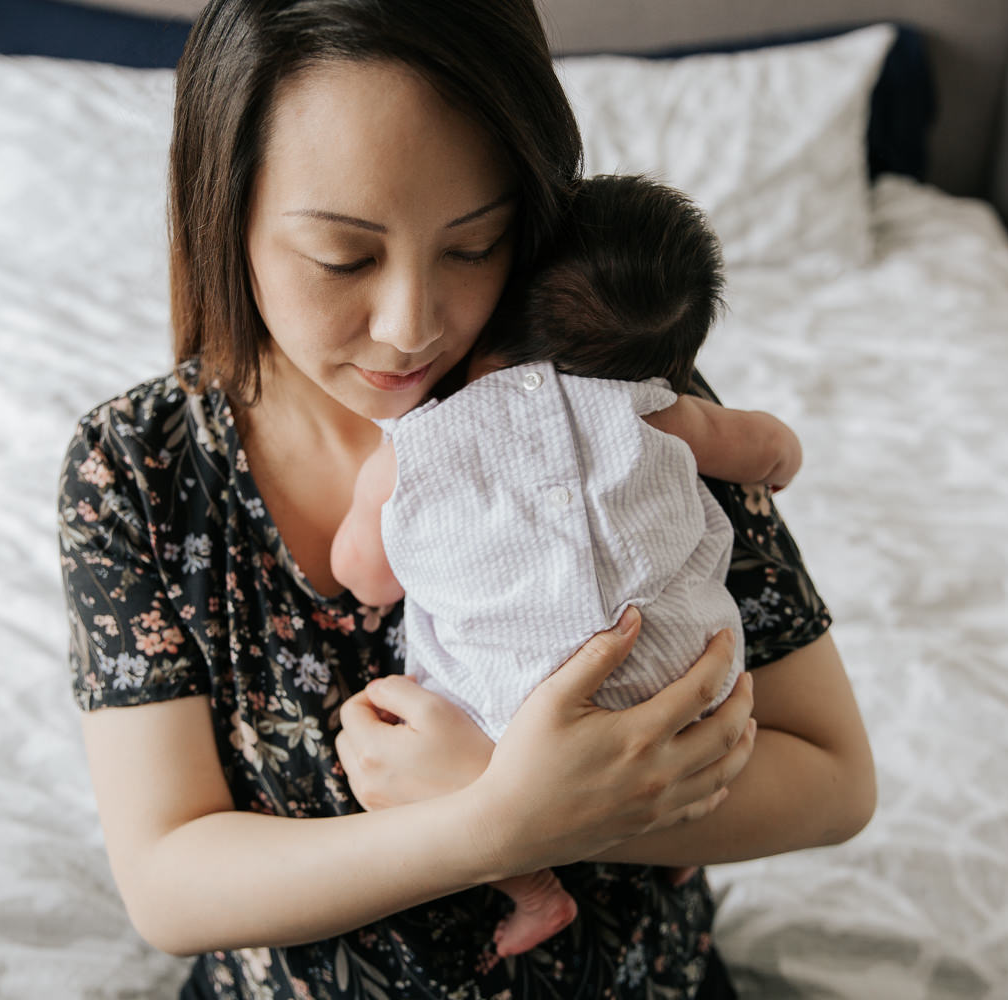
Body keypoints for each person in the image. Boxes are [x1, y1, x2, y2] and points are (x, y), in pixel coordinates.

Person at [55, 1, 876, 997]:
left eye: (473, 246)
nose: (409, 328)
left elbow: (833, 780)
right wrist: (498, 820)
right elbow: (170, 884)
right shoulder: (137, 468)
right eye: (344, 257)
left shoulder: (601, 396)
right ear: (221, 214)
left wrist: (553, 797)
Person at [329, 174, 803, 957]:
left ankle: (534, 890)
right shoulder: (657, 407)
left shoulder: (416, 446)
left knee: (412, 730)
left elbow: (369, 579)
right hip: (680, 679)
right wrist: (783, 453)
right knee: (694, 725)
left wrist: (366, 519)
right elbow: (763, 447)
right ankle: (681, 839)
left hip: (503, 717)